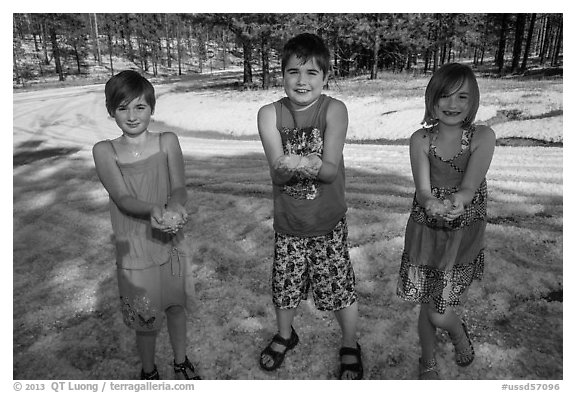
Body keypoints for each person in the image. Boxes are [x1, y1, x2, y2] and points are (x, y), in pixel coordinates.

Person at [257, 33, 362, 380]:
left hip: (327, 221)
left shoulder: (334, 109)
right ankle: (285, 335)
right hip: (289, 222)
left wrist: (301, 162)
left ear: (326, 77)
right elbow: (277, 173)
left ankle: (350, 343)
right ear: (282, 75)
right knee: (284, 286)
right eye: (293, 72)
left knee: (339, 286)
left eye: (312, 73)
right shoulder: (268, 114)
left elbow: (329, 171)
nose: (302, 81)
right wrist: (290, 166)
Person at [92, 70, 200, 380]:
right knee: (145, 319)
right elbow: (123, 198)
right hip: (135, 249)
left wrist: (176, 206)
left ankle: (181, 361)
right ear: (111, 110)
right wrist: (154, 209)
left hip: (171, 242)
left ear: (152, 107)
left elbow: (179, 187)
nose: (132, 115)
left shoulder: (167, 141)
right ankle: (149, 372)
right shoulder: (105, 150)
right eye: (122, 107)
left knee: (176, 307)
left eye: (140, 106)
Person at [396, 63, 496, 379]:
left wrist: (457, 202)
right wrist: (430, 203)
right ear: (432, 99)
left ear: (473, 101)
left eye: (462, 97)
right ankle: (427, 360)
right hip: (426, 230)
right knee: (428, 302)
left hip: (462, 230)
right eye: (444, 96)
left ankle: (456, 332)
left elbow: (468, 187)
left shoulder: (483, 135)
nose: (452, 105)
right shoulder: (420, 139)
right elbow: (423, 190)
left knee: (439, 312)